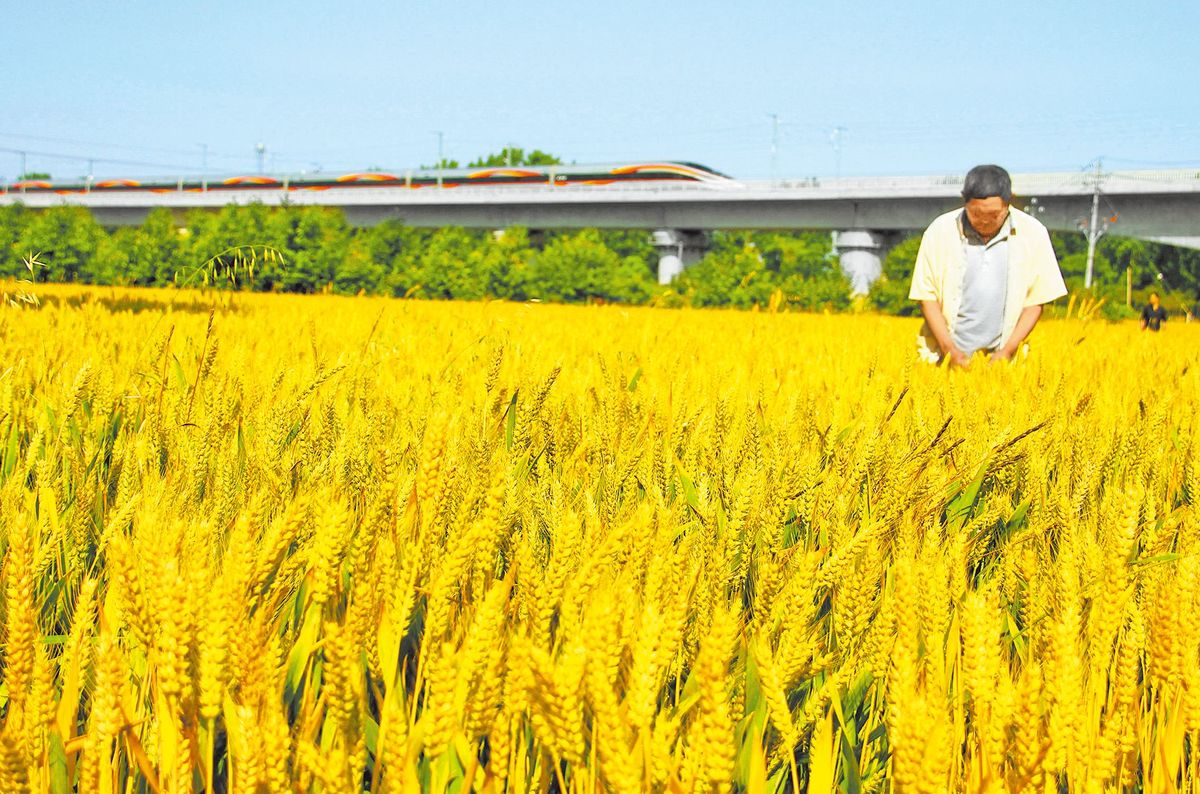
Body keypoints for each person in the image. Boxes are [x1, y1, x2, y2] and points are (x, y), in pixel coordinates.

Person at [908, 164, 1067, 366]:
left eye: (993, 215)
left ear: (1009, 202)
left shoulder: (1033, 233)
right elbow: (926, 297)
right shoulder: (939, 231)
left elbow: (1035, 301)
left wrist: (1008, 351)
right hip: (941, 359)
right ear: (963, 201)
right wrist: (950, 351)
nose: (984, 221)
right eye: (976, 214)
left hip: (1005, 364)